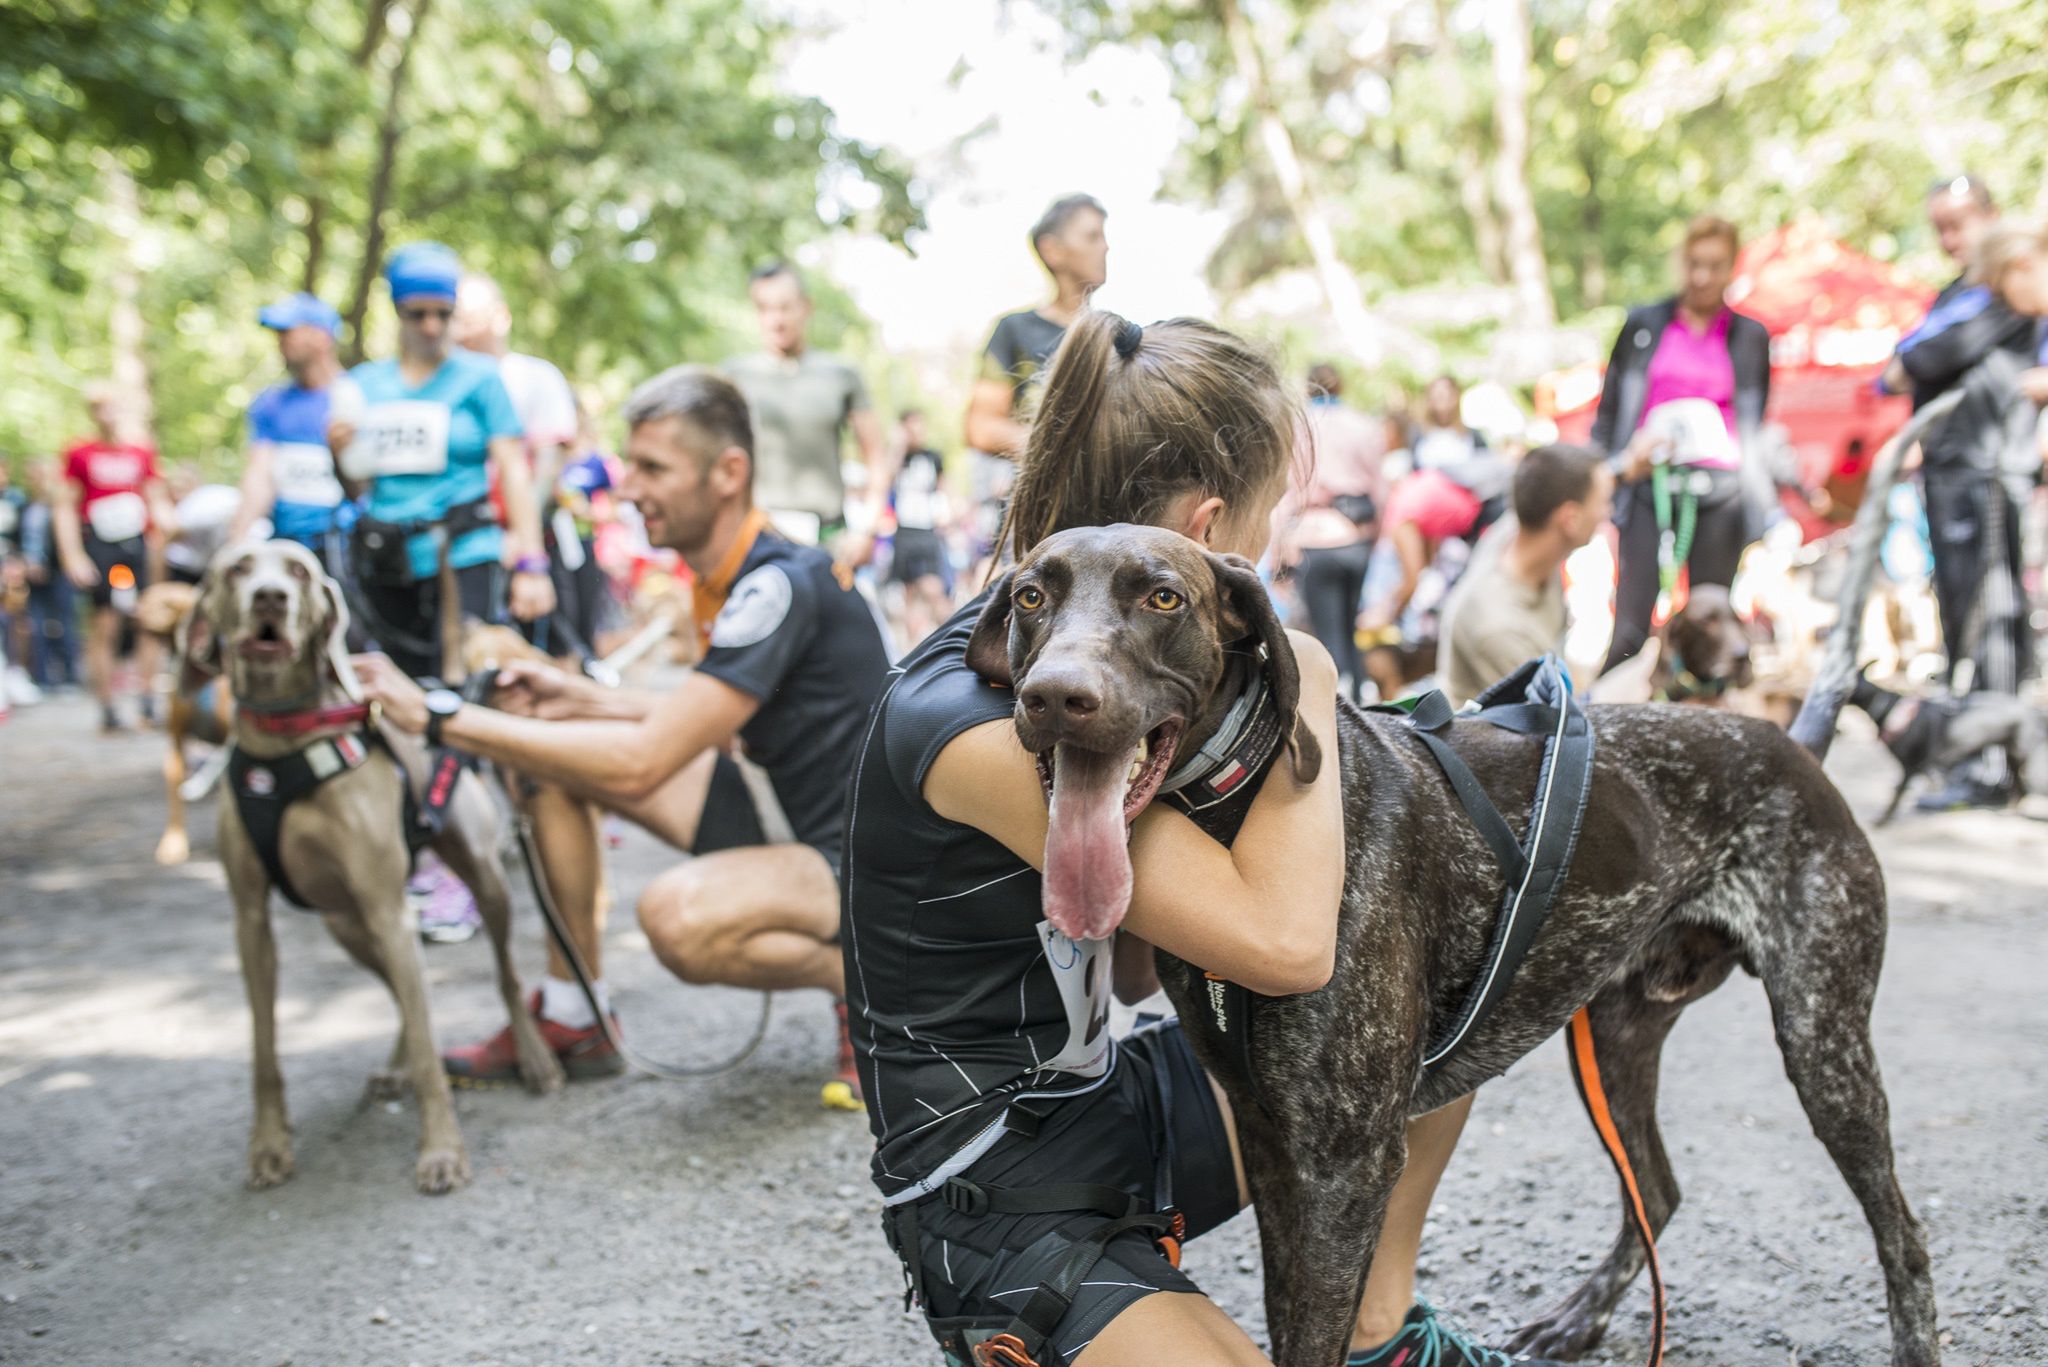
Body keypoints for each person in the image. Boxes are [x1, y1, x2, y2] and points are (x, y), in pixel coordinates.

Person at [846, 310, 1557, 1367]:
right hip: (992, 1191)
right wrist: (1305, 671)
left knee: (1433, 1003)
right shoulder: (983, 716)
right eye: (1271, 525)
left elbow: (1136, 968)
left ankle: (1376, 1336)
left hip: (1113, 1102)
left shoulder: (1112, 681)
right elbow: (1285, 944)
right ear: (1219, 535)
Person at [352, 367, 892, 1106]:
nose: (627, 488)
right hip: (786, 811)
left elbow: (644, 764)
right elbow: (707, 721)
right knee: (547, 735)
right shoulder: (728, 574)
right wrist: (579, 695)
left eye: (652, 469)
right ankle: (576, 1014)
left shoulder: (776, 582)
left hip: (867, 858)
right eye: (629, 464)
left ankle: (881, 985)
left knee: (675, 916)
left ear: (729, 472)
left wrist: (439, 717)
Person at [328, 241, 555, 943]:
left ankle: (463, 859)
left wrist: (531, 559)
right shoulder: (362, 386)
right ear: (397, 312)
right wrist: (340, 452)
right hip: (386, 565)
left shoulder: (481, 380)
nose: (432, 326)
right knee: (398, 698)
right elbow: (356, 483)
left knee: (458, 697)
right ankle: (418, 847)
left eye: (444, 313)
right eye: (418, 313)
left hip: (468, 557)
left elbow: (513, 469)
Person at [1903, 221, 2048, 810]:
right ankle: (1991, 762)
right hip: (1963, 480)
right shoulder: (1982, 309)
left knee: (1996, 625)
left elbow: (1915, 363)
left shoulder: (2012, 314)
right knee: (1974, 622)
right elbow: (1909, 362)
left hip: (1989, 483)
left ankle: (1992, 766)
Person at [1591, 214, 1774, 675]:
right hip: (1649, 484)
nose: (1702, 277)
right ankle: (1606, 723)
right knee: (1631, 624)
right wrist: (1604, 475)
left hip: (1720, 492)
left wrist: (1764, 504)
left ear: (1732, 267)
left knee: (1711, 626)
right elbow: (1610, 408)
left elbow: (1755, 421)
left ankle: (1705, 732)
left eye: (1714, 265)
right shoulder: (1644, 324)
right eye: (1693, 264)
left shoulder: (1750, 337)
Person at [964, 194, 1110, 561]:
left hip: (1106, 520)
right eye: (1092, 237)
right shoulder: (1014, 331)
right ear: (1052, 250)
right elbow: (980, 427)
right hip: (1034, 524)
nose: (1106, 247)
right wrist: (1066, 448)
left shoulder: (1118, 338)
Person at [452, 273, 587, 648]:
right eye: (456, 313)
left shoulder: (536, 377)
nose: (461, 323)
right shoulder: (444, 384)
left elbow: (548, 463)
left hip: (529, 540)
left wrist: (520, 537)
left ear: (501, 316)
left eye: (471, 312)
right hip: (463, 544)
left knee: (544, 646)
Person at [722, 262, 889, 557]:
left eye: (785, 307)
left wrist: (869, 529)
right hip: (756, 536)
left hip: (829, 536)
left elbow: (876, 454)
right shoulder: (733, 376)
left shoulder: (841, 374)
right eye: (764, 308)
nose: (776, 320)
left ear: (806, 307)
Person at [1439, 445, 1613, 705]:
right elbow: (1554, 725)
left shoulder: (1519, 530)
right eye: (1603, 503)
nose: (1607, 512)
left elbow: (1548, 483)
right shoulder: (1500, 628)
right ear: (1570, 519)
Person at [52, 384, 174, 732]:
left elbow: (156, 498)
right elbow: (64, 507)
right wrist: (73, 555)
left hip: (137, 545)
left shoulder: (141, 452)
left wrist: (167, 530)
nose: (109, 415)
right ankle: (108, 707)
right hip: (100, 546)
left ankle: (148, 700)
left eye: (114, 407)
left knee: (149, 620)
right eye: (100, 408)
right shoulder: (80, 454)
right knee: (105, 624)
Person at [1271, 362, 1386, 701]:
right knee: (1350, 633)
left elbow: (1286, 494)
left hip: (1314, 538)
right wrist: (1375, 538)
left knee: (1328, 637)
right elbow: (1381, 490)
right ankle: (1364, 706)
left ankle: (1341, 717)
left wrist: (1278, 555)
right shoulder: (1364, 425)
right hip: (1356, 538)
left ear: (1308, 387)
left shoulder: (1298, 427)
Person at [231, 293, 349, 554]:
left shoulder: (358, 395)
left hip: (347, 545)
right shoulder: (270, 404)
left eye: (288, 332)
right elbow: (260, 475)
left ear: (321, 336)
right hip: (287, 542)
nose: (280, 342)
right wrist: (237, 540)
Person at [883, 408, 953, 649]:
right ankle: (909, 650)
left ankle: (950, 642)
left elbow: (945, 488)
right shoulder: (898, 457)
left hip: (927, 531)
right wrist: (898, 445)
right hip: (904, 532)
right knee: (909, 594)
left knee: (934, 589)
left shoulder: (933, 457)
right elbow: (886, 479)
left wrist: (949, 516)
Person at [19, 460, 80, 689]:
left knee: (64, 622)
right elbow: (21, 539)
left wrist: (52, 564)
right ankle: (42, 677)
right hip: (31, 574)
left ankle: (70, 675)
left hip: (57, 572)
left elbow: (65, 543)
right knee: (36, 625)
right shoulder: (26, 505)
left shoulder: (60, 507)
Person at [160, 463, 242, 586]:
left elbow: (172, 532)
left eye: (183, 482)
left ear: (194, 483)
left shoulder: (197, 501)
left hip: (198, 569)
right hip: (208, 566)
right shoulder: (215, 495)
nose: (177, 487)